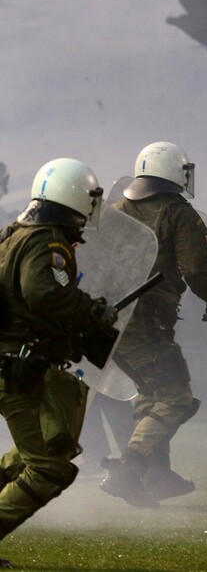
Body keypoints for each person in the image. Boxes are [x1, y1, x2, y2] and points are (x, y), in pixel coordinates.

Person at [0, 159, 117, 567]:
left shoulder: (17, 233)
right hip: (16, 366)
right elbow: (43, 293)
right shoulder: (47, 240)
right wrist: (90, 312)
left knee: (42, 449)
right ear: (75, 197)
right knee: (49, 468)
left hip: (16, 362)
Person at [100, 141, 207, 508]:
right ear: (173, 170)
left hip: (111, 322)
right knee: (175, 397)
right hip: (149, 321)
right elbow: (197, 268)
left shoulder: (117, 209)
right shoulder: (178, 212)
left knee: (149, 396)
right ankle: (128, 470)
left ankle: (156, 478)